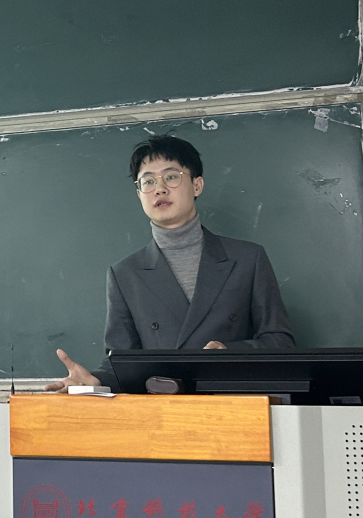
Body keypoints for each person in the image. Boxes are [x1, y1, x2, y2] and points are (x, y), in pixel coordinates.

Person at [46, 135, 295, 393]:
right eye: (148, 181)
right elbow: (121, 364)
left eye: (171, 177)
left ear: (197, 185)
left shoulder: (248, 258)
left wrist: (229, 352)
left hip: (234, 406)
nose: (160, 188)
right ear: (139, 194)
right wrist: (95, 383)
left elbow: (281, 343)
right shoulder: (124, 275)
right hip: (163, 411)